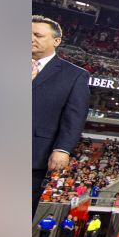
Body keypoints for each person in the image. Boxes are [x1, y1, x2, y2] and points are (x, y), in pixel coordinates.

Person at [31, 16, 90, 218]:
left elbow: (75, 115)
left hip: (34, 152)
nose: (31, 39)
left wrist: (62, 148)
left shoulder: (74, 74)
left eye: (38, 35)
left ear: (56, 41)